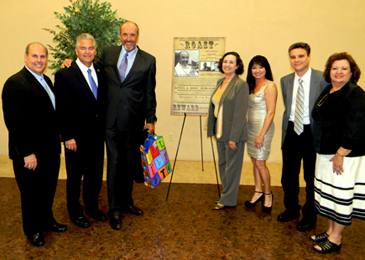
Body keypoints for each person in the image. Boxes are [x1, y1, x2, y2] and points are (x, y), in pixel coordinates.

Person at [2, 42, 67, 247]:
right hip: (30, 153)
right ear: (26, 57)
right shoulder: (15, 83)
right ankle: (32, 230)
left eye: (43, 57)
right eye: (35, 56)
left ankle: (46, 221)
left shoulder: (45, 79)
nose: (39, 60)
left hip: (49, 149)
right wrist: (27, 152)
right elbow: (14, 122)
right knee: (31, 193)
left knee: (47, 189)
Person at [93, 21, 156, 230]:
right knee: (114, 163)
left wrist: (151, 119)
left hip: (133, 121)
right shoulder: (108, 53)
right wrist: (70, 62)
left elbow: (149, 92)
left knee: (129, 164)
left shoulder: (148, 60)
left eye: (132, 35)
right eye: (125, 35)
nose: (128, 39)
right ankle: (114, 209)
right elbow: (90, 69)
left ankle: (127, 202)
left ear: (138, 36)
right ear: (120, 35)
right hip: (110, 121)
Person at [310, 53, 365, 253]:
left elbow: (357, 128)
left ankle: (336, 238)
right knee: (330, 193)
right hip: (325, 152)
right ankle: (330, 229)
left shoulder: (355, 94)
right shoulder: (330, 90)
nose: (339, 72)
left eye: (344, 68)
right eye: (335, 68)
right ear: (329, 71)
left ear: (352, 72)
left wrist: (341, 154)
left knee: (340, 195)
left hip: (344, 156)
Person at [55, 33, 107, 228]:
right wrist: (67, 135)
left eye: (91, 48)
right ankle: (75, 211)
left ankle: (92, 207)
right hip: (74, 138)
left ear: (95, 51)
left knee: (94, 175)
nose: (87, 51)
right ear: (76, 51)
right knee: (75, 177)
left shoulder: (101, 70)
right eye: (83, 48)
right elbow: (62, 108)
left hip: (96, 136)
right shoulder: (65, 74)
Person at [278, 42, 327, 231]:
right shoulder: (285, 80)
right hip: (291, 131)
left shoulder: (322, 78)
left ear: (308, 57)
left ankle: (309, 215)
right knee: (288, 176)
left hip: (311, 133)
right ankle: (291, 208)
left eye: (300, 56)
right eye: (293, 57)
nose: (296, 60)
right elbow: (288, 106)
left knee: (310, 177)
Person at [207, 52, 249, 210]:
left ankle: (228, 199)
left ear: (237, 66)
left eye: (232, 62)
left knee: (232, 167)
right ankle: (227, 195)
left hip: (233, 133)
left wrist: (234, 138)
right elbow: (216, 107)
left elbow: (240, 114)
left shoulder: (240, 84)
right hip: (220, 131)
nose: (227, 65)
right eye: (225, 61)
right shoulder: (220, 82)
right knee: (223, 164)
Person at [245, 55, 277, 213]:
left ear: (266, 69)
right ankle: (258, 191)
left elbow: (271, 113)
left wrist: (261, 135)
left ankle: (268, 193)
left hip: (263, 128)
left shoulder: (270, 86)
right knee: (254, 160)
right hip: (251, 128)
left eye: (260, 67)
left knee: (260, 163)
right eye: (254, 67)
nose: (257, 70)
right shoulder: (250, 85)